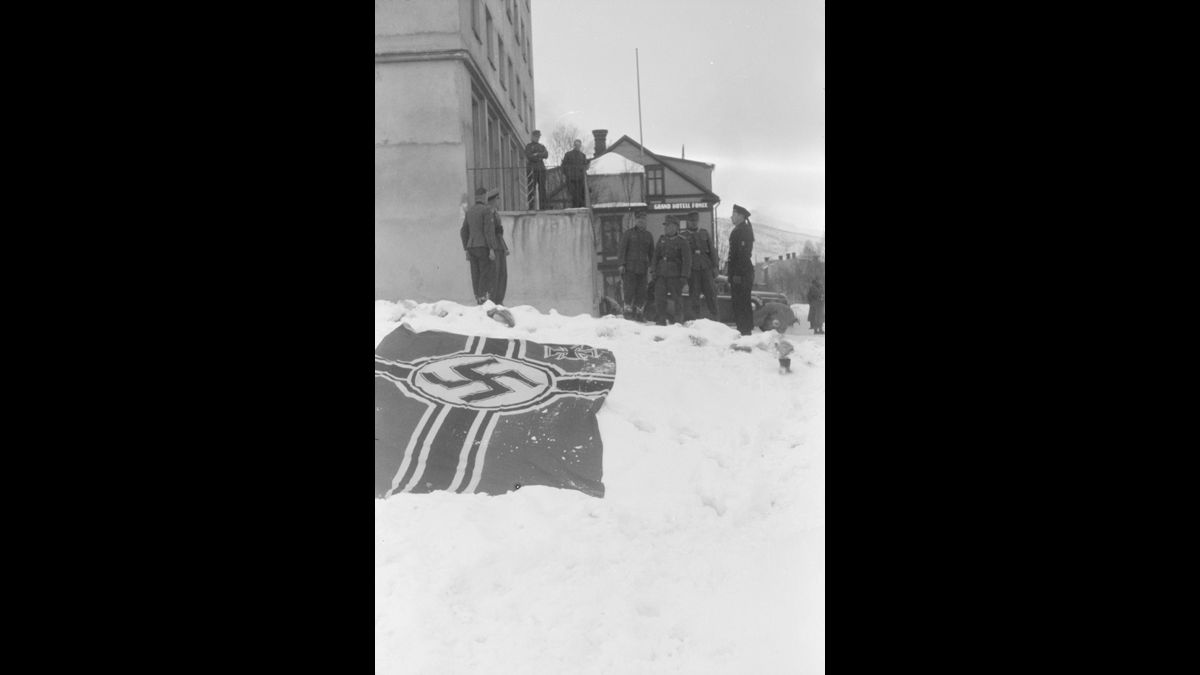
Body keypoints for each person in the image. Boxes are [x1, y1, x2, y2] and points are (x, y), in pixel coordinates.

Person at [460, 187, 500, 304]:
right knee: (485, 272)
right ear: (484, 196)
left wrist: (466, 248)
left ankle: (477, 296)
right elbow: (488, 231)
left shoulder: (470, 212)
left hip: (471, 247)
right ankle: (483, 297)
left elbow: (463, 231)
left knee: (475, 273)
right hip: (483, 247)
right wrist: (491, 248)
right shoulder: (486, 210)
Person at [652, 218, 692, 326]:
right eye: (666, 226)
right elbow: (655, 256)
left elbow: (687, 260)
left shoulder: (682, 241)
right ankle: (661, 320)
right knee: (660, 298)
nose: (667, 228)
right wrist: (653, 271)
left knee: (677, 299)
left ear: (676, 227)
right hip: (661, 274)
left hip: (675, 275)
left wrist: (684, 276)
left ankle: (678, 321)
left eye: (669, 226)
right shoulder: (661, 239)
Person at [616, 210, 655, 321]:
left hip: (642, 269)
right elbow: (622, 250)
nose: (641, 221)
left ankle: (639, 313)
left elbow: (652, 254)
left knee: (641, 291)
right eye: (639, 219)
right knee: (629, 290)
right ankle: (627, 311)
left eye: (643, 219)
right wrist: (621, 264)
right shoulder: (628, 234)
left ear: (645, 221)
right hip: (630, 268)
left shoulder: (648, 236)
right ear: (636, 221)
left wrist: (653, 268)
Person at [680, 212, 719, 320]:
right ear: (688, 222)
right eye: (691, 221)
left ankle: (715, 318)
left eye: (695, 221)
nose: (694, 223)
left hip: (706, 268)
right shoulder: (683, 236)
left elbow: (712, 251)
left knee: (711, 294)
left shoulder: (704, 233)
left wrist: (715, 267)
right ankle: (696, 320)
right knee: (694, 296)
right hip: (693, 270)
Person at [727, 204, 756, 335]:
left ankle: (745, 330)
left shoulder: (744, 231)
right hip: (739, 272)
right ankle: (743, 328)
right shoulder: (739, 229)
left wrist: (737, 273)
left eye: (734, 214)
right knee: (738, 302)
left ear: (740, 216)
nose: (731, 217)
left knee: (742, 302)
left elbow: (743, 255)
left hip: (742, 273)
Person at [486, 189, 510, 304]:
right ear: (493, 200)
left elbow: (499, 233)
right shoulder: (488, 213)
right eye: (498, 199)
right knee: (495, 275)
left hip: (499, 246)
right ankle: (494, 300)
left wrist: (504, 247)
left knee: (502, 274)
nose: (499, 201)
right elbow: (489, 232)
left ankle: (499, 300)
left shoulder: (495, 213)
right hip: (494, 247)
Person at [561, 139, 590, 208]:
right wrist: (565, 174)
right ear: (574, 145)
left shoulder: (583, 155)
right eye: (576, 145)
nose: (577, 146)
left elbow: (585, 167)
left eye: (579, 145)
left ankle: (578, 207)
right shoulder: (568, 154)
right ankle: (577, 206)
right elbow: (563, 166)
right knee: (573, 194)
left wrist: (587, 165)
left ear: (580, 146)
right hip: (571, 178)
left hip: (580, 178)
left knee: (579, 193)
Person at [524, 130, 548, 210]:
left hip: (541, 169)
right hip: (532, 169)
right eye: (536, 136)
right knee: (531, 188)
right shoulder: (528, 146)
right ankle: (531, 207)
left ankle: (543, 206)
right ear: (533, 136)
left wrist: (537, 154)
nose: (538, 138)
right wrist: (539, 156)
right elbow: (529, 156)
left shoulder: (541, 146)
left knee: (542, 189)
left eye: (538, 136)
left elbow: (546, 154)